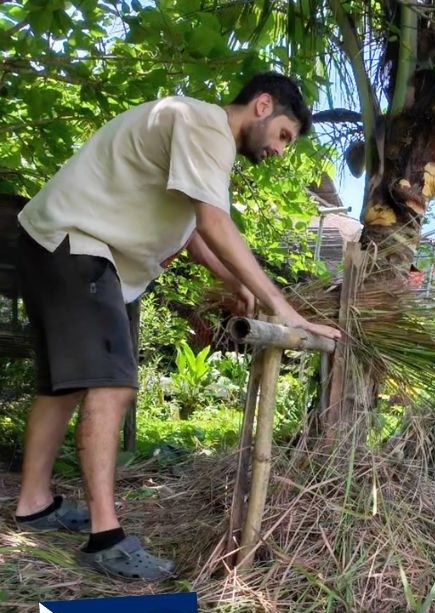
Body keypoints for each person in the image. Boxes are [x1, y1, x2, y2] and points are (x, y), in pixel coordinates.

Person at [12, 72, 341, 581]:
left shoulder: (197, 138)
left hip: (57, 242)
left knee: (63, 387)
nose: (280, 150)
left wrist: (237, 280)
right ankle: (106, 538)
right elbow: (213, 222)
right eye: (284, 136)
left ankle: (33, 503)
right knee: (111, 386)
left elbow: (191, 235)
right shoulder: (204, 125)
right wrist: (283, 306)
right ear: (262, 105)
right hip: (77, 245)